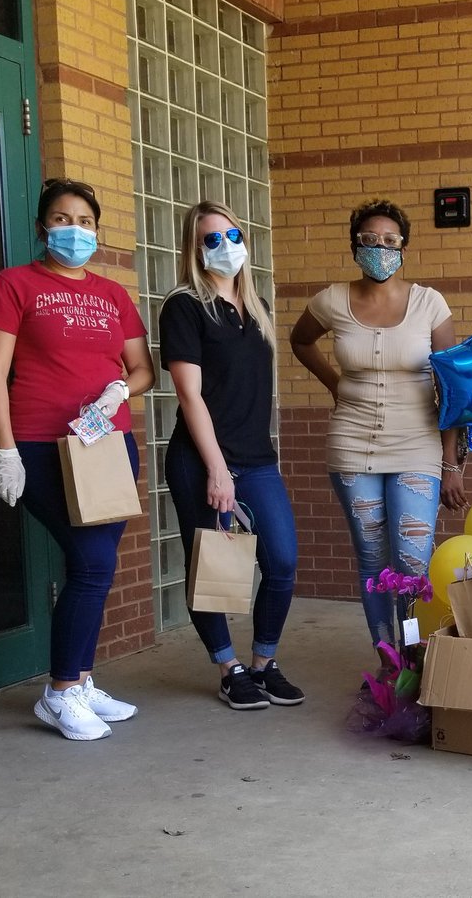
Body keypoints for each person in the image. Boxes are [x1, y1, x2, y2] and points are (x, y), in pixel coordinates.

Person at [0, 177, 155, 741]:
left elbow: (142, 368)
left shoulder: (112, 294)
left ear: (96, 231)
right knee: (93, 565)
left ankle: (78, 681)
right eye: (61, 219)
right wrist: (6, 451)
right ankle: (58, 694)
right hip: (38, 443)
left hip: (103, 443)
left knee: (96, 567)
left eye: (84, 221)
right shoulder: (16, 284)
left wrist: (119, 393)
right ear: (41, 227)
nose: (73, 230)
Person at [289, 197, 466, 655]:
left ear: (404, 246)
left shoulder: (430, 303)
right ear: (354, 247)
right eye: (369, 240)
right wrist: (334, 384)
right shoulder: (331, 300)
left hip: (417, 443)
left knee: (411, 561)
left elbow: (452, 388)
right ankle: (387, 659)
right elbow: (300, 340)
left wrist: (451, 463)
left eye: (390, 240)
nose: (380, 248)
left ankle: (414, 655)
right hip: (352, 444)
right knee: (371, 558)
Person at [159, 201, 302, 711]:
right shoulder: (184, 305)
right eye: (211, 239)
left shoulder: (256, 306)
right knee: (213, 570)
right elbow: (189, 395)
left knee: (282, 561)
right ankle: (228, 669)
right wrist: (218, 470)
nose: (225, 247)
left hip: (258, 458)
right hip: (202, 460)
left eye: (232, 235)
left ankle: (263, 664)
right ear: (195, 249)